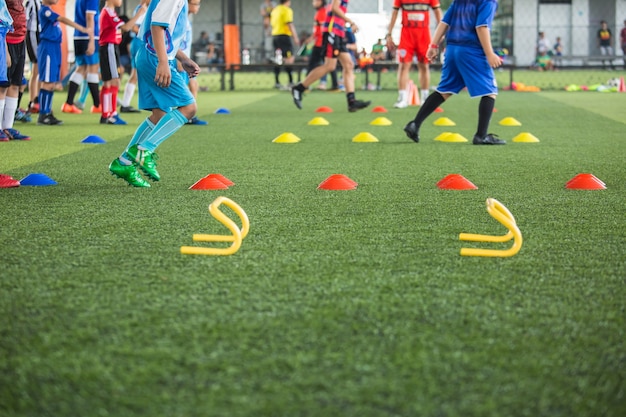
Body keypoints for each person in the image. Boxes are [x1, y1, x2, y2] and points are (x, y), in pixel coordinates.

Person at [108, 0, 200, 188]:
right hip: (154, 58)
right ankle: (144, 150)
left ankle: (124, 163)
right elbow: (157, 27)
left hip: (147, 55)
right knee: (189, 108)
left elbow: (160, 33)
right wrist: (163, 62)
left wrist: (184, 58)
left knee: (159, 115)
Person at [403, 0, 505, 145]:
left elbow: (444, 22)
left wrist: (433, 45)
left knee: (445, 90)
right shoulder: (488, 1)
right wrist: (489, 53)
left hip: (452, 50)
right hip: (472, 51)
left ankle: (415, 124)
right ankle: (481, 136)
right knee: (490, 91)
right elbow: (482, 27)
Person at [291, 0, 370, 112]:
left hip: (338, 32)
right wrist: (350, 22)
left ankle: (351, 101)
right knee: (329, 66)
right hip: (331, 31)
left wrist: (345, 26)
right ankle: (299, 88)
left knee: (349, 64)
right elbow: (334, 8)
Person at [37, 0, 91, 125]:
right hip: (47, 47)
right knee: (47, 81)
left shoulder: (50, 10)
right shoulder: (45, 10)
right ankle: (43, 114)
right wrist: (81, 28)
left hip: (55, 46)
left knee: (52, 83)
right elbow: (61, 19)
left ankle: (48, 112)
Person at [386, 0, 442, 108]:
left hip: (424, 34)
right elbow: (394, 13)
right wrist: (389, 33)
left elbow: (438, 12)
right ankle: (402, 98)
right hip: (406, 34)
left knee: (424, 65)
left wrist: (441, 32)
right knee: (403, 66)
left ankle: (425, 98)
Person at [98, 0, 146, 125]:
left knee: (109, 81)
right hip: (109, 47)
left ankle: (106, 114)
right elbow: (125, 27)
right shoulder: (108, 12)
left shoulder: (109, 11)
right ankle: (112, 114)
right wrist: (139, 14)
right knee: (114, 80)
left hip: (110, 47)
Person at [0, 0, 31, 141]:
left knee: (15, 84)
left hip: (20, 40)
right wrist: (4, 46)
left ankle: (8, 126)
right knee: (3, 85)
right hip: (7, 40)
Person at [62, 0, 101, 114]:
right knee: (93, 68)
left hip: (78, 37)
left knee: (81, 69)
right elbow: (89, 17)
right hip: (88, 37)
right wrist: (92, 40)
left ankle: (68, 103)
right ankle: (97, 105)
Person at [120, 0, 150, 114]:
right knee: (136, 74)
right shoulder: (141, 9)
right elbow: (134, 28)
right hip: (139, 43)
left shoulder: (143, 8)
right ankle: (126, 104)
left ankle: (126, 104)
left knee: (136, 74)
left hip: (139, 43)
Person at [181, 0, 207, 125]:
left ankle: (190, 116)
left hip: (186, 60)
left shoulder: (186, 20)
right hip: (181, 62)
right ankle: (185, 116)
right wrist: (179, 61)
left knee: (194, 85)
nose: (198, 7)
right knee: (182, 91)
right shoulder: (180, 20)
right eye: (196, 3)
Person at [306, 0, 338, 91]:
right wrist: (311, 38)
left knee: (314, 64)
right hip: (320, 42)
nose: (313, 3)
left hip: (321, 43)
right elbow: (317, 30)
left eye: (315, 1)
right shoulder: (320, 12)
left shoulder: (323, 12)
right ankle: (335, 85)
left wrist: (314, 38)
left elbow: (323, 30)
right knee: (329, 64)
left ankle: (305, 85)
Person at [270, 0, 300, 89]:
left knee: (278, 59)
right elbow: (289, 24)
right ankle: (290, 82)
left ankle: (277, 82)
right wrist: (295, 37)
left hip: (275, 36)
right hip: (284, 36)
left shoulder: (275, 10)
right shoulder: (287, 10)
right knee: (289, 59)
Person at [24, 0, 42, 114]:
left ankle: (37, 100)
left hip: (40, 34)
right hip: (32, 34)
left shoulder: (41, 2)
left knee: (39, 69)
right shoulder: (30, 2)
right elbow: (24, 21)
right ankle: (32, 101)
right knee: (36, 68)